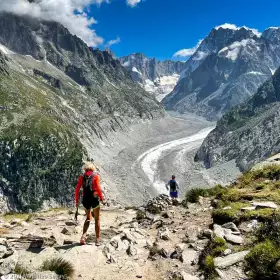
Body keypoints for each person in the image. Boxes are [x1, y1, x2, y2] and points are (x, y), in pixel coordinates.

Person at [75, 162, 104, 246]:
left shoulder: (81, 177)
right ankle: (98, 239)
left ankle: (83, 237)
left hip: (85, 200)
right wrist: (101, 198)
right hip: (94, 199)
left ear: (85, 169)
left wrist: (77, 201)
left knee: (88, 218)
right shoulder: (95, 177)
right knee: (97, 219)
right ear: (93, 170)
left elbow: (77, 190)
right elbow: (98, 188)